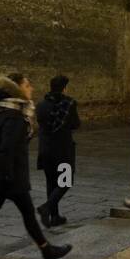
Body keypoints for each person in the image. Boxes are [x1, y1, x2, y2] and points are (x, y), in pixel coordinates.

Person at [0, 72, 72, 259]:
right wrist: (7, 177)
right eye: (27, 85)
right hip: (10, 178)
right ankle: (46, 250)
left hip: (3, 176)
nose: (31, 88)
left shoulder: (5, 114)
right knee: (9, 215)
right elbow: (7, 148)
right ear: (18, 90)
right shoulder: (15, 118)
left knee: (10, 215)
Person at [36, 74, 80, 227]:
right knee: (66, 181)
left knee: (51, 182)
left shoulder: (41, 105)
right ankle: (47, 207)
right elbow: (75, 124)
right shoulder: (69, 104)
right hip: (63, 150)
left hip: (46, 149)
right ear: (64, 88)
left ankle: (54, 217)